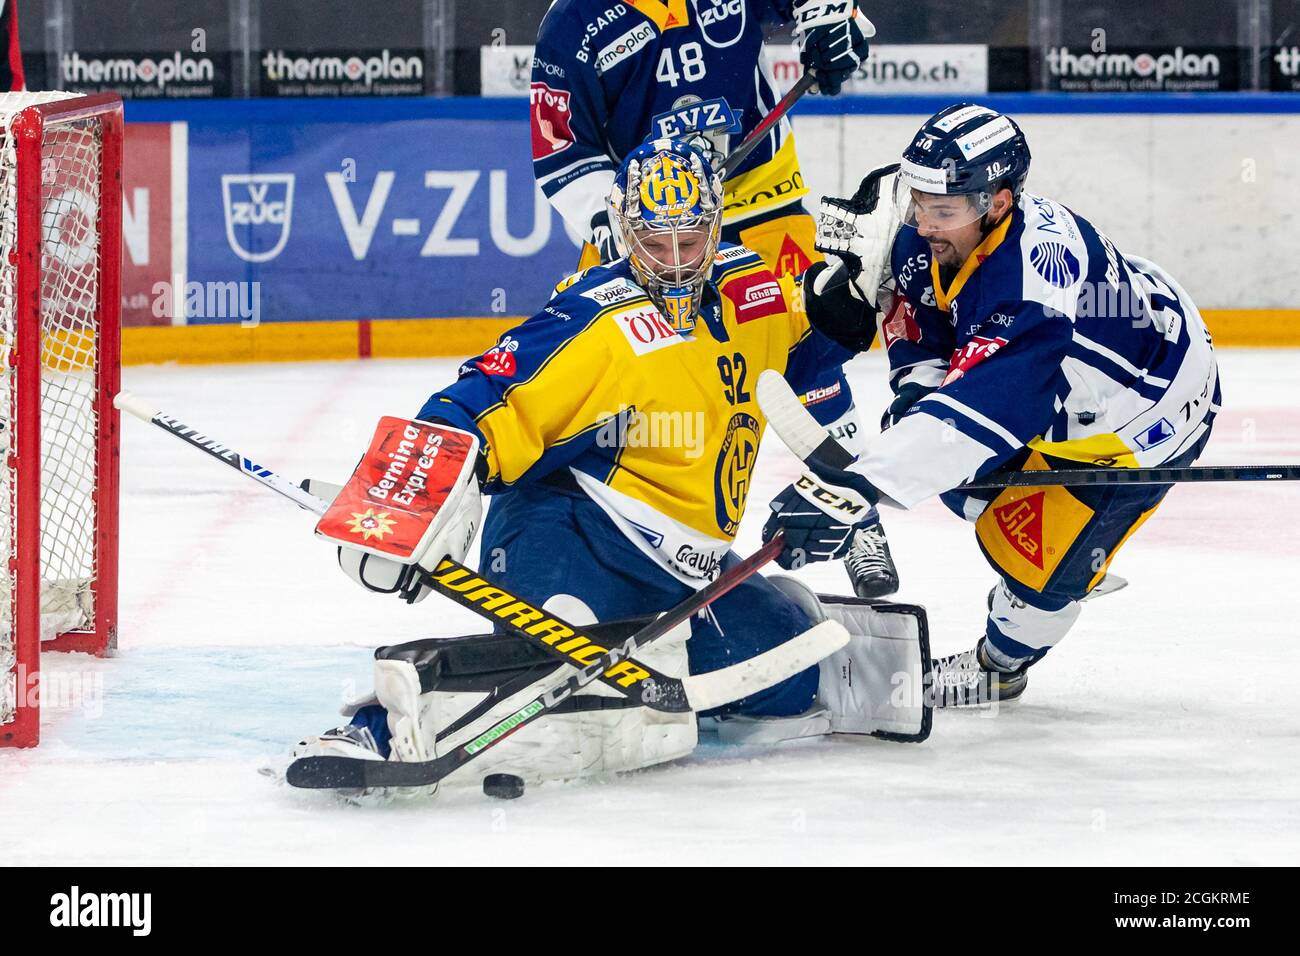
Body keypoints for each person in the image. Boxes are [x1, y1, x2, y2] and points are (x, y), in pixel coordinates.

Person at [293, 138, 929, 792]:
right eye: (656, 244)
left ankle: (767, 612)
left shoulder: (753, 290)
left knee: (789, 682)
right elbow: (479, 396)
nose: (677, 265)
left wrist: (851, 292)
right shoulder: (596, 316)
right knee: (561, 687)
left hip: (685, 570)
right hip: (566, 537)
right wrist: (403, 500)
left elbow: (811, 350)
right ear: (626, 232)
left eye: (691, 241)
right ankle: (380, 723)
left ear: (715, 225)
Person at [763, 103, 1221, 706]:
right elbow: (925, 328)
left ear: (997, 202)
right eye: (918, 199)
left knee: (1036, 574)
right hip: (1063, 382)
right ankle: (1060, 534)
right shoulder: (931, 231)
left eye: (942, 208)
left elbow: (989, 408)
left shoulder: (1032, 285)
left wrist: (862, 485)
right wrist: (915, 403)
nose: (924, 221)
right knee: (932, 444)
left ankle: (1000, 666)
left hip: (1147, 409)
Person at [529, 0, 901, 598]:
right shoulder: (572, 23)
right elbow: (562, 152)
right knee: (611, 353)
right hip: (652, 209)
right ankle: (611, 526)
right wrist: (613, 224)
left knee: (807, 346)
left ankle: (857, 512)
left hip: (757, 182)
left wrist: (835, 21)